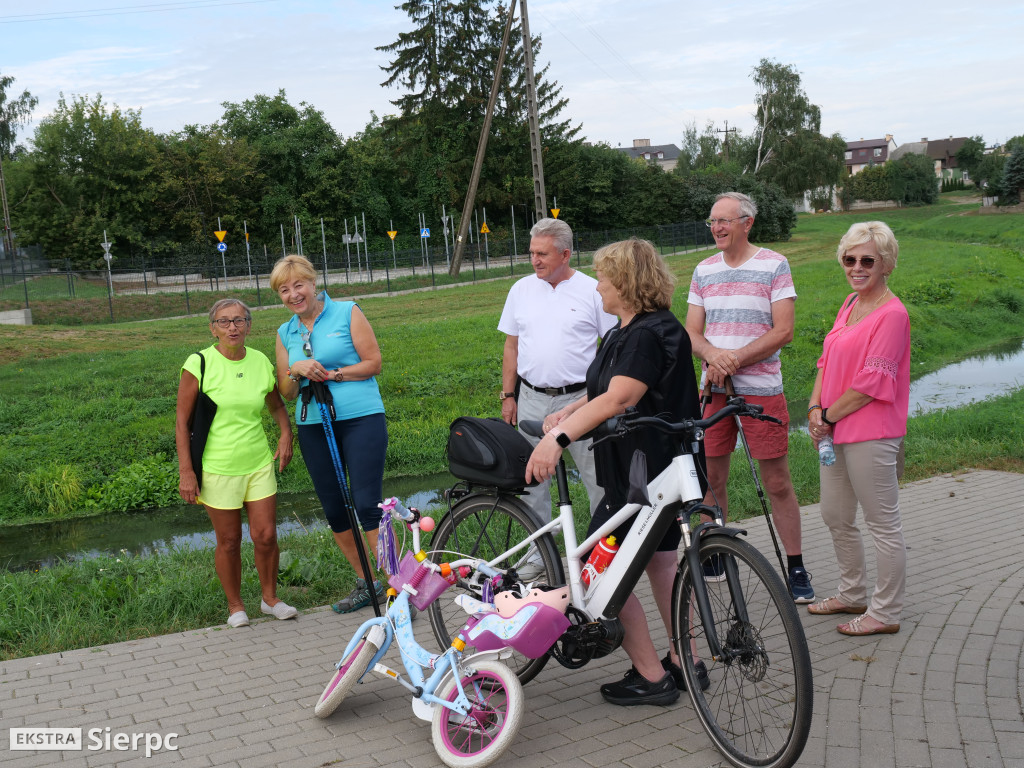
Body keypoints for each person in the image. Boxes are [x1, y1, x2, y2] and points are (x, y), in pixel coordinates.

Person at [526, 238, 706, 707]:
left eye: (604, 277)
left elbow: (621, 397)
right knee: (662, 566)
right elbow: (609, 388)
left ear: (624, 284)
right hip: (661, 470)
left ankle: (651, 676)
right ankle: (686, 659)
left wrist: (555, 440)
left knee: (599, 572)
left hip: (639, 478)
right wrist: (571, 409)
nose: (598, 285)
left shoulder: (643, 334)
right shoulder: (641, 328)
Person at [684, 191, 813, 603]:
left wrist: (732, 358)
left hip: (761, 391)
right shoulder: (703, 270)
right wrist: (713, 358)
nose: (717, 228)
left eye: (725, 220)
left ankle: (795, 567)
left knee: (777, 482)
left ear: (747, 223)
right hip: (714, 391)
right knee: (713, 478)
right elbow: (691, 332)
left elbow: (783, 331)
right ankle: (718, 553)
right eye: (712, 221)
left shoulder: (774, 265)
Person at [806, 221, 910, 636]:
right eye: (850, 259)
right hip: (834, 429)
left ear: (886, 263)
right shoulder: (850, 303)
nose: (857, 266)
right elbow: (825, 362)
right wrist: (815, 407)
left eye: (867, 259)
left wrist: (827, 416)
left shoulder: (893, 314)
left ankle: (885, 612)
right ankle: (852, 592)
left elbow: (871, 383)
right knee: (835, 514)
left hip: (872, 432)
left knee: (882, 524)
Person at [271, 254, 388, 614]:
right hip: (313, 424)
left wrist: (332, 374)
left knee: (367, 504)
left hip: (360, 417)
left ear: (313, 283)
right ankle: (368, 583)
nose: (294, 295)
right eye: (285, 290)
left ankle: (402, 587)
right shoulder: (285, 332)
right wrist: (295, 370)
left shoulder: (347, 312)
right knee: (335, 508)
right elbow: (286, 392)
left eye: (299, 285)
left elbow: (374, 363)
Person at [498, 217, 616, 566]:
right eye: (532, 252)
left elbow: (611, 348)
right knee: (533, 480)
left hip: (582, 401)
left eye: (543, 253)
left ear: (565, 254)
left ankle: (602, 555)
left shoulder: (593, 290)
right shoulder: (521, 289)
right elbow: (511, 347)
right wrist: (509, 396)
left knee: (599, 481)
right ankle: (540, 556)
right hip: (532, 398)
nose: (534, 260)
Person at [175, 299, 296, 628]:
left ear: (249, 325)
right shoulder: (198, 363)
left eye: (239, 321)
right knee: (228, 541)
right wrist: (187, 472)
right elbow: (182, 423)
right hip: (217, 468)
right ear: (212, 327)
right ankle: (235, 606)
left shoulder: (259, 362)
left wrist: (286, 434)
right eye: (224, 322)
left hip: (257, 463)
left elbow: (275, 405)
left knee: (266, 535)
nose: (232, 327)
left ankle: (270, 598)